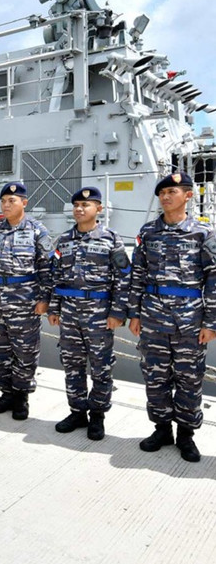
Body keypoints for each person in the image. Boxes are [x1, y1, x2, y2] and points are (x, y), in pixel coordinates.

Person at [128, 172, 216, 462]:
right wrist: (135, 313)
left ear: (188, 195)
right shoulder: (149, 231)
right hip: (152, 318)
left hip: (189, 321)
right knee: (155, 377)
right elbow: (137, 275)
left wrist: (211, 322)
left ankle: (186, 435)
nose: (165, 196)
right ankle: (162, 429)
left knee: (189, 379)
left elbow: (213, 279)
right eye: (162, 192)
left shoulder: (203, 233)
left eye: (172, 191)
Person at [47, 187, 130, 440]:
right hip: (70, 313)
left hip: (99, 315)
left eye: (86, 205)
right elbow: (55, 276)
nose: (80, 209)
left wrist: (117, 312)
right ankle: (77, 411)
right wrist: (54, 307)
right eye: (76, 206)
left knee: (101, 367)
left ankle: (97, 416)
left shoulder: (111, 239)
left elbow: (123, 278)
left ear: (99, 209)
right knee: (72, 365)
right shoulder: (63, 241)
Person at [0, 182, 52, 420]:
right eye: (4, 201)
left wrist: (45, 298)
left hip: (24, 301)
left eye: (12, 201)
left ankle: (21, 397)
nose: (6, 205)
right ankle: (6, 393)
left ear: (24, 203)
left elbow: (47, 268)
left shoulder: (38, 231)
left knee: (25, 351)